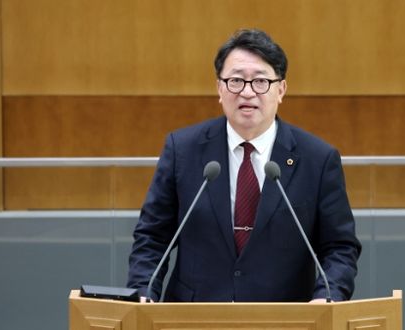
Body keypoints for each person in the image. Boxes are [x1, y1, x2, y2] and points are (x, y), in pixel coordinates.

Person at [127, 29, 361, 303]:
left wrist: (326, 298)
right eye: (236, 80)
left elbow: (339, 247)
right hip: (194, 318)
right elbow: (153, 237)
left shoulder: (317, 159)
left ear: (281, 90)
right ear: (219, 88)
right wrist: (144, 292)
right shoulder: (183, 150)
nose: (247, 92)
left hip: (285, 319)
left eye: (261, 81)